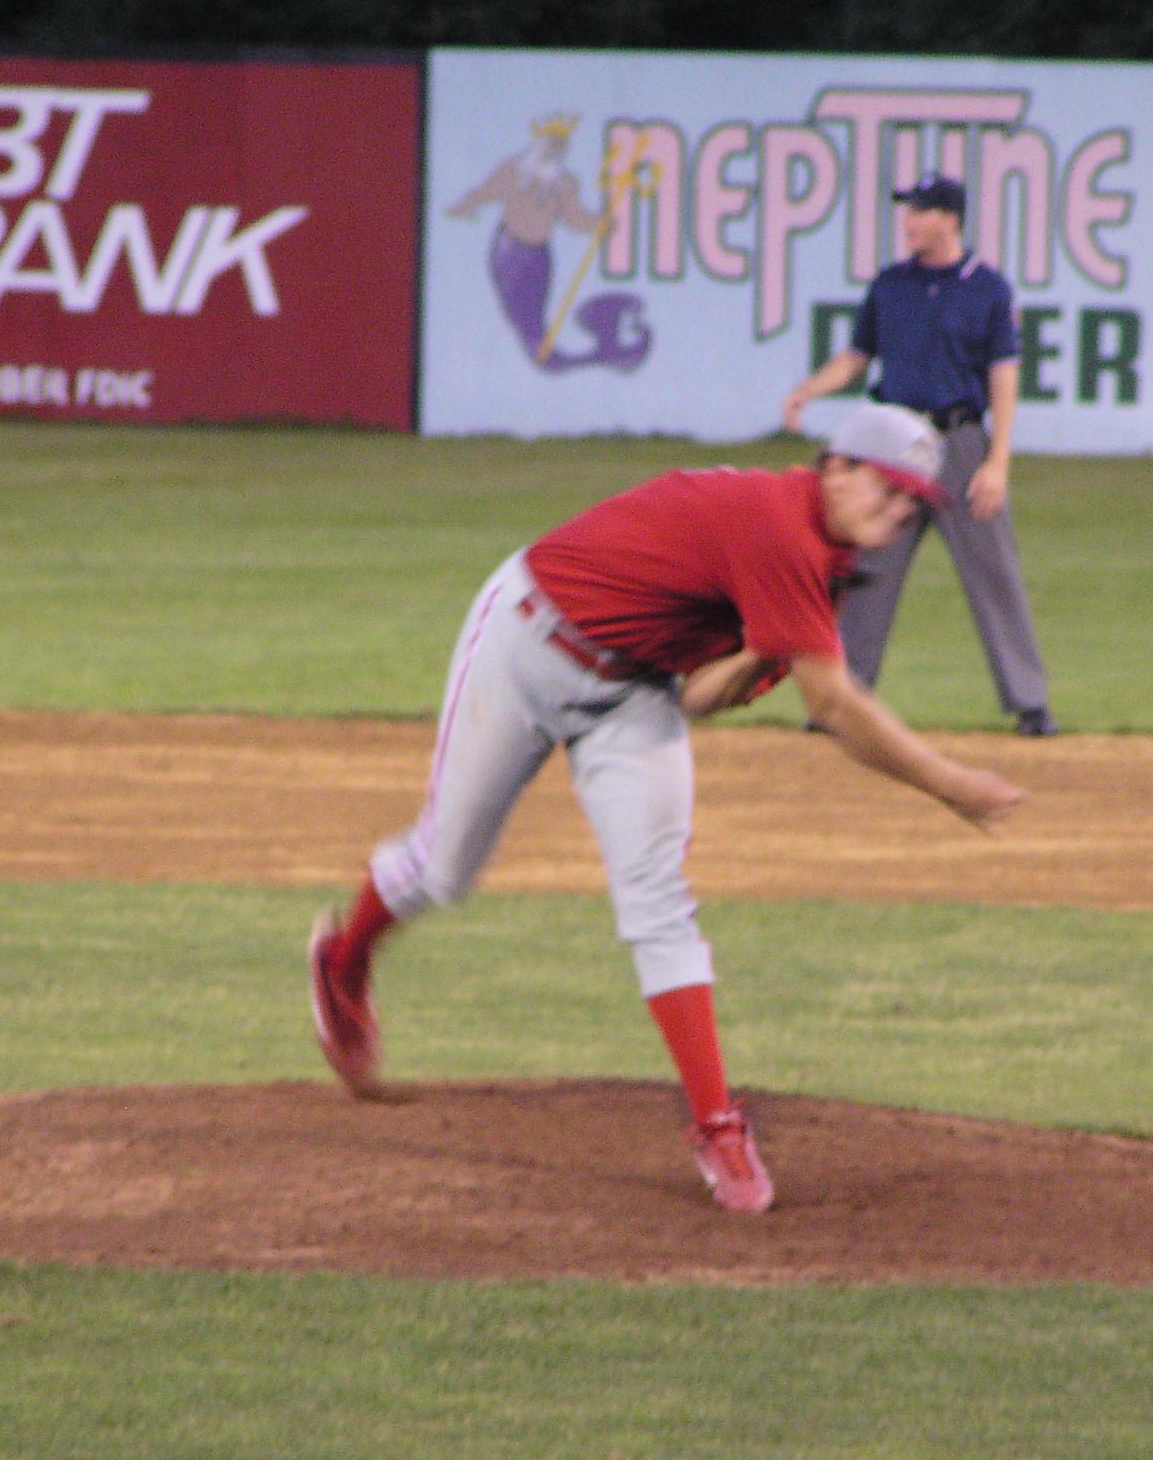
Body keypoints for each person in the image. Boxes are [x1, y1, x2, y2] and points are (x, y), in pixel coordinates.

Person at [307, 404, 1026, 1214]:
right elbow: (834, 706)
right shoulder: (778, 526)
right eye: (887, 489)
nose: (896, 513)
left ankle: (718, 1126)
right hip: (525, 641)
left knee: (658, 901)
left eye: (910, 504)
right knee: (444, 868)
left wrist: (757, 654)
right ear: (835, 467)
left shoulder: (823, 568)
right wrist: (951, 784)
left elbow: (695, 698)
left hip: (633, 691)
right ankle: (343, 961)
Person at [782, 175, 1057, 738]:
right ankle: (839, 701)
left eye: (920, 211)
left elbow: (1003, 375)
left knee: (993, 571)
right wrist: (809, 390)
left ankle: (1031, 704)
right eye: (907, 211)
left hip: (960, 441)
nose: (908, 221)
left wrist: (997, 461)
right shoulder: (891, 285)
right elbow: (858, 356)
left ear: (950, 220)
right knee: (867, 569)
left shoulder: (988, 289)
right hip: (892, 446)